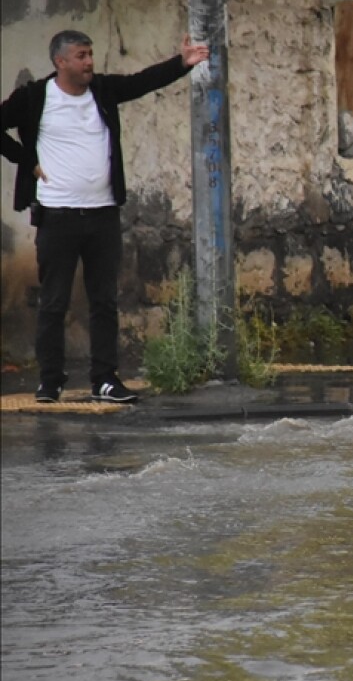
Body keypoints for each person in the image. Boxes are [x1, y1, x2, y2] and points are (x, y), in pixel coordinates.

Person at [1, 30, 209, 403]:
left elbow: (142, 82)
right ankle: (50, 380)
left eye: (90, 54)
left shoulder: (103, 91)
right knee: (53, 300)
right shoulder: (36, 97)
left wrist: (182, 64)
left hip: (102, 215)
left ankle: (105, 379)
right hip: (57, 215)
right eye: (81, 56)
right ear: (60, 61)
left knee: (104, 300)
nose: (88, 63)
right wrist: (25, 160)